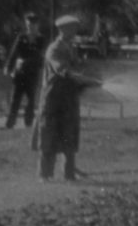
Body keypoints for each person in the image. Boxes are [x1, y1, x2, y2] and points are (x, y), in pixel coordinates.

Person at [31, 15, 100, 181]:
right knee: (48, 135)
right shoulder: (53, 49)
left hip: (68, 99)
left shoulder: (71, 48)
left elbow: (76, 69)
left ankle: (69, 174)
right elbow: (63, 70)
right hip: (52, 99)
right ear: (62, 30)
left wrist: (90, 80)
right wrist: (83, 79)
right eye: (72, 28)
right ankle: (44, 175)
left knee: (69, 135)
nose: (75, 32)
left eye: (75, 28)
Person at [1, 12, 46, 129]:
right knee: (15, 98)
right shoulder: (22, 37)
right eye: (28, 25)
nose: (30, 27)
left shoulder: (41, 39)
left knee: (31, 100)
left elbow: (39, 56)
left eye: (32, 25)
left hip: (32, 73)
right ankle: (9, 124)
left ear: (37, 25)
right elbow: (14, 52)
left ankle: (29, 123)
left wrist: (25, 61)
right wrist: (8, 66)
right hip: (20, 73)